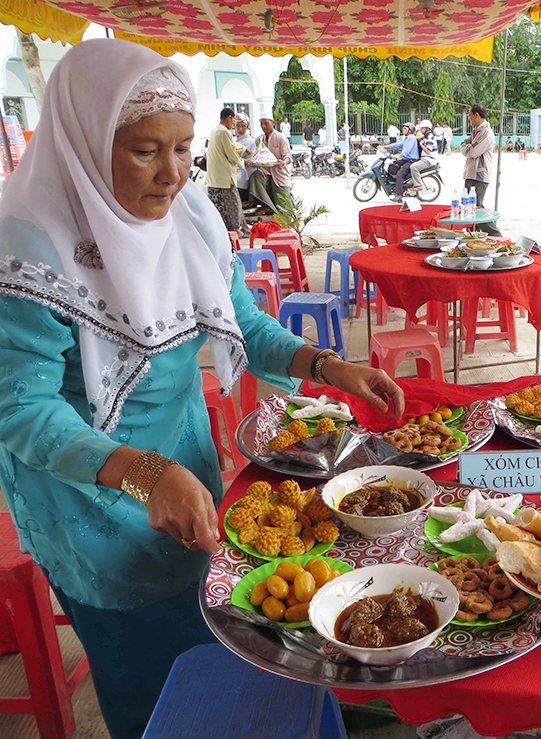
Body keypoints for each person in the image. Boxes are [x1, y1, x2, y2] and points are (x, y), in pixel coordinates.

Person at [0, 39, 405, 738]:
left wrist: (328, 365)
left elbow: (238, 319)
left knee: (222, 640)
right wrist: (146, 475)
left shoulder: (187, 214)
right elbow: (21, 408)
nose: (171, 173)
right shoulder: (31, 243)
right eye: (144, 150)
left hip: (185, 466)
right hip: (93, 502)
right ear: (88, 143)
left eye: (184, 147)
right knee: (153, 692)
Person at [461, 104, 501, 236]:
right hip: (471, 174)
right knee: (469, 210)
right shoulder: (476, 131)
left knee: (477, 210)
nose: (469, 119)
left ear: (476, 115)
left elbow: (471, 151)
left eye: (470, 116)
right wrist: (466, 146)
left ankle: (496, 235)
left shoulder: (485, 132)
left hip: (479, 176)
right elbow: (465, 146)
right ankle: (473, 238)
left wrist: (467, 146)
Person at [205, 106, 245, 232]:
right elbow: (231, 152)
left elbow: (231, 146)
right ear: (229, 118)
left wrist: (244, 149)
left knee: (218, 209)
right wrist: (243, 162)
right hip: (224, 179)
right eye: (233, 122)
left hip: (215, 178)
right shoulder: (224, 132)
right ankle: (235, 231)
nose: (234, 125)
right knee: (233, 206)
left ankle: (231, 230)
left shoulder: (215, 131)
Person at [249, 110, 292, 214]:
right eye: (261, 124)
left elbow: (288, 157)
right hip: (266, 173)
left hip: (280, 174)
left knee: (283, 204)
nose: (264, 126)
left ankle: (286, 224)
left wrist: (283, 162)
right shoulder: (259, 139)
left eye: (266, 123)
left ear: (273, 123)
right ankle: (267, 206)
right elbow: (256, 155)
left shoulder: (281, 138)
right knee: (255, 177)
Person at [381, 122, 419, 203]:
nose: (403, 130)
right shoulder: (406, 138)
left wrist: (398, 156)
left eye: (405, 128)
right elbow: (397, 145)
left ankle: (399, 196)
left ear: (410, 130)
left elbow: (406, 151)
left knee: (400, 174)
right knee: (392, 166)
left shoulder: (412, 138)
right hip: (405, 159)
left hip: (410, 161)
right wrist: (383, 147)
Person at [233, 114, 255, 236]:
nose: (240, 129)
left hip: (241, 177)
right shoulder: (235, 140)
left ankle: (244, 227)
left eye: (243, 126)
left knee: (234, 201)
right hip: (235, 175)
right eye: (238, 126)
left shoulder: (249, 142)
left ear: (247, 127)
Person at [410, 120, 438, 192]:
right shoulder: (425, 137)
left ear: (427, 128)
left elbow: (428, 151)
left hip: (429, 160)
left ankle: (418, 185)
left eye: (422, 128)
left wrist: (421, 144)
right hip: (424, 159)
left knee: (413, 167)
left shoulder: (430, 137)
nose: (421, 130)